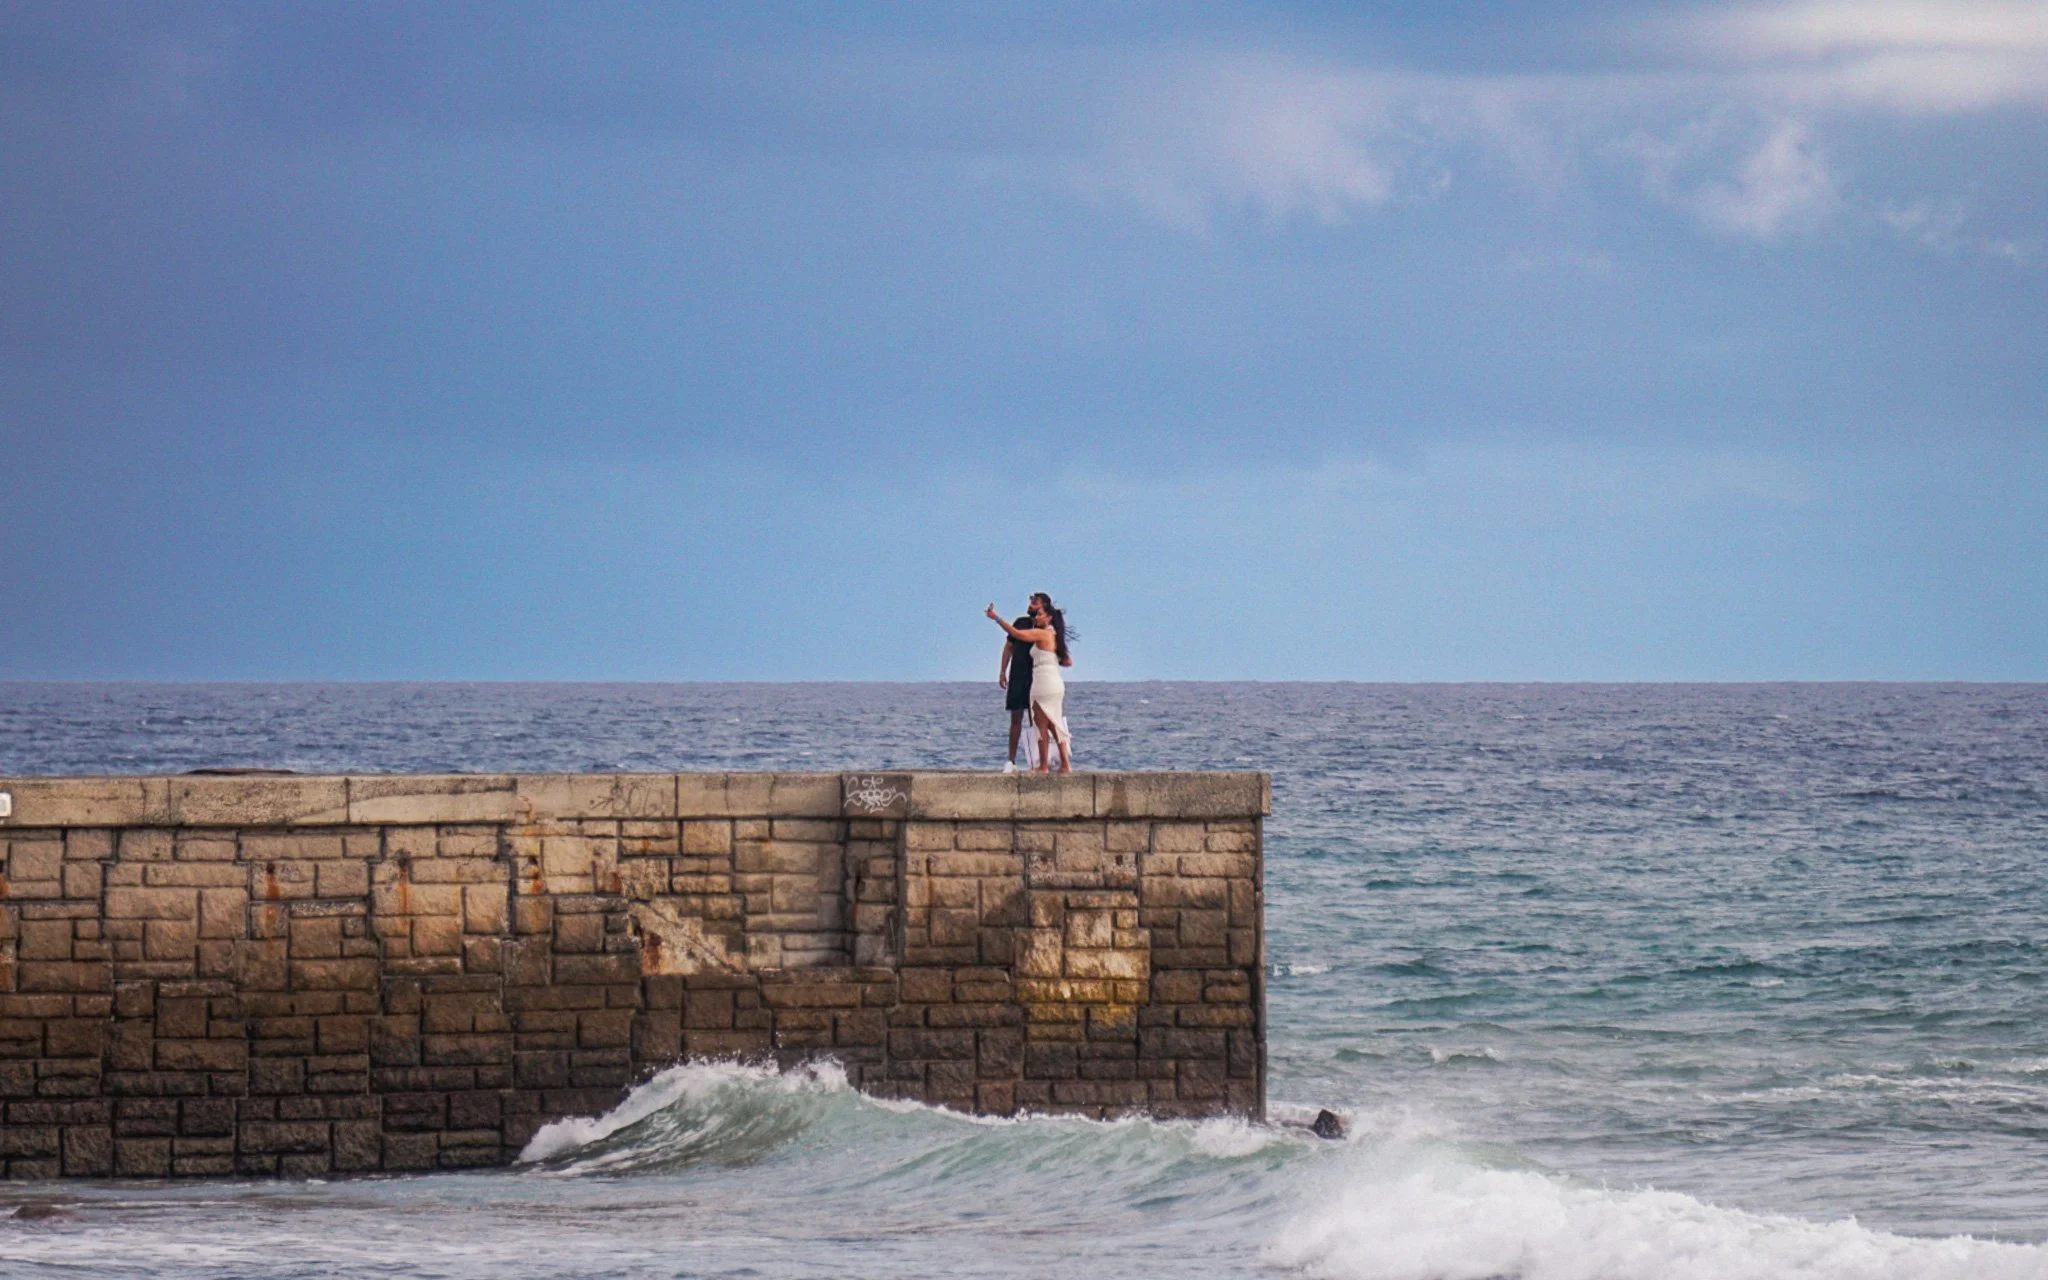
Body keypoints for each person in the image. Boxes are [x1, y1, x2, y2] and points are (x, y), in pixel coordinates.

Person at [985, 594, 1074, 773]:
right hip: (1050, 680)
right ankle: (1062, 764)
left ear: (1048, 615)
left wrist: (996, 618)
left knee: (1041, 723)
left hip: (1042, 682)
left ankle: (1043, 766)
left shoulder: (1043, 633)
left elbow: (1016, 634)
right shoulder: (1054, 634)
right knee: (1052, 723)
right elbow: (1067, 661)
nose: (1036, 615)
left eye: (1039, 611)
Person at [997, 605, 1039, 773]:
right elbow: (1009, 647)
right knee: (1016, 719)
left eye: (1034, 601)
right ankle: (1011, 760)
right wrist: (1002, 671)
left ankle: (1038, 760)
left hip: (1037, 676)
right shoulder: (1021, 622)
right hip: (1017, 676)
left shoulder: (1046, 627)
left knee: (1036, 720)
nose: (1030, 604)